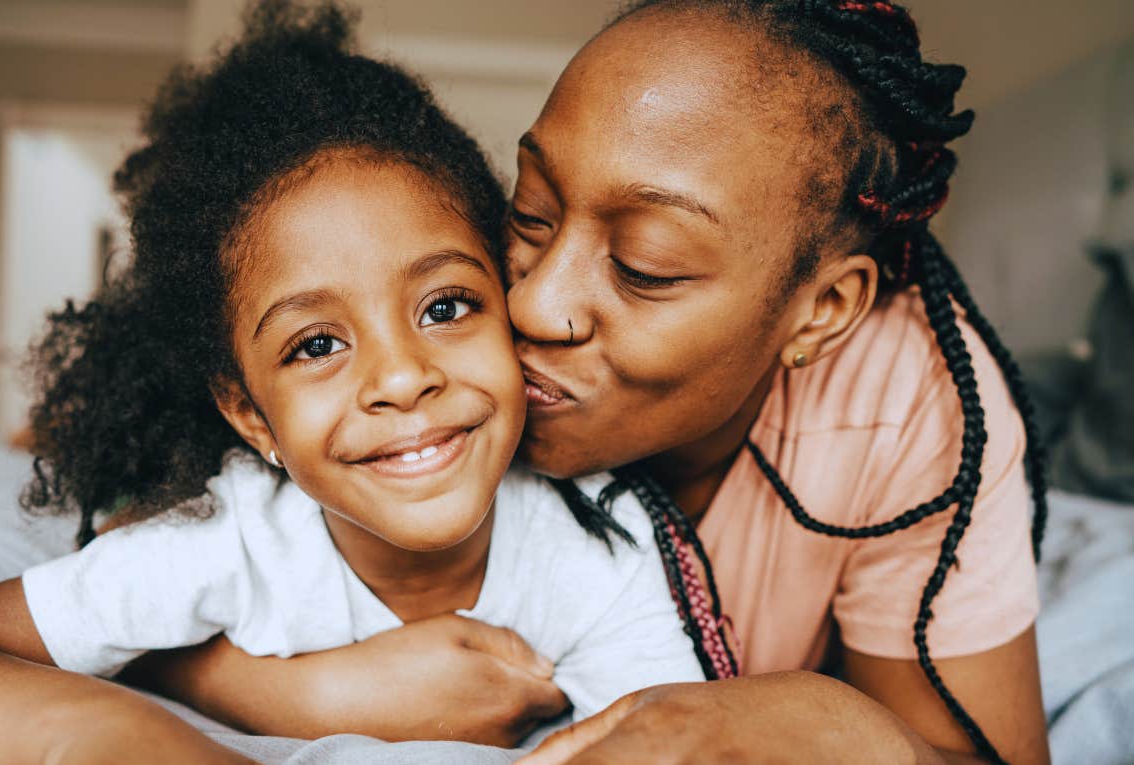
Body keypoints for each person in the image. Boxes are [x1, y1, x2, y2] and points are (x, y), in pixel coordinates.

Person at [0, 3, 707, 763]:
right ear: (248, 411)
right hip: (193, 502)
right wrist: (103, 730)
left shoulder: (606, 543)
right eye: (314, 345)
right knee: (123, 516)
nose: (402, 378)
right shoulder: (231, 538)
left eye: (445, 307)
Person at [136, 2, 1052, 763]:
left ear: (820, 313)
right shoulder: (419, 353)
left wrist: (835, 722)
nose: (536, 303)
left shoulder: (908, 401)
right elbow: (125, 573)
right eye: (530, 212)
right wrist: (293, 691)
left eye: (647, 266)